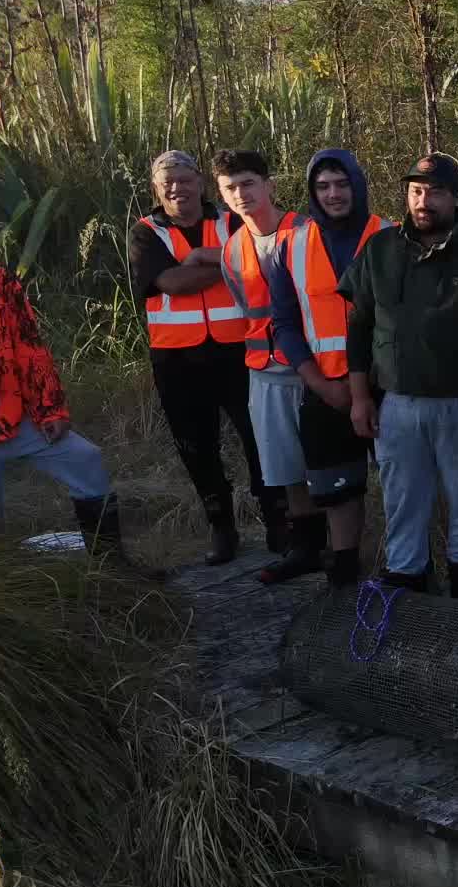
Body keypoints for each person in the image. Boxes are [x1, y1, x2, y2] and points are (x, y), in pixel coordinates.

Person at [338, 152, 458, 598]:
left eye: (436, 191)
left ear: (456, 198)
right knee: (402, 502)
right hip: (398, 403)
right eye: (416, 191)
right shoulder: (381, 249)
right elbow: (359, 326)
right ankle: (406, 591)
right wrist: (360, 397)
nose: (424, 201)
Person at [127, 149, 269, 565]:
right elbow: (172, 282)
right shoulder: (145, 232)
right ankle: (222, 527)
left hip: (239, 350)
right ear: (156, 189)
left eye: (185, 179)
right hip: (177, 360)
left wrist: (205, 259)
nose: (177, 188)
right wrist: (232, 263)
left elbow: (262, 260)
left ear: (200, 183)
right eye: (167, 182)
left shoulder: (230, 220)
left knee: (260, 439)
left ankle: (277, 520)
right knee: (197, 448)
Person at [264, 149, 391, 589]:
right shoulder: (290, 246)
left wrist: (368, 387)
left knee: (401, 482)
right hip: (326, 387)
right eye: (323, 186)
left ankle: (411, 569)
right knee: (336, 485)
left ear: (357, 184)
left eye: (341, 183)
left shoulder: (390, 236)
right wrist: (320, 385)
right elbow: (284, 323)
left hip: (387, 386)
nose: (334, 194)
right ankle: (344, 568)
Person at [213, 148, 325, 585]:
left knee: (326, 463)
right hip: (265, 372)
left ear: (269, 185)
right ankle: (306, 549)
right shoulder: (232, 249)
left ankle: (340, 549)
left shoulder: (307, 232)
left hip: (314, 369)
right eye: (230, 188)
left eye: (248, 184)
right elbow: (247, 308)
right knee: (285, 466)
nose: (241, 194)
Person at [0, 257, 126, 556]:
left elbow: (30, 347)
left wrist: (51, 408)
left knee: (85, 458)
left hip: (15, 418)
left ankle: (111, 564)